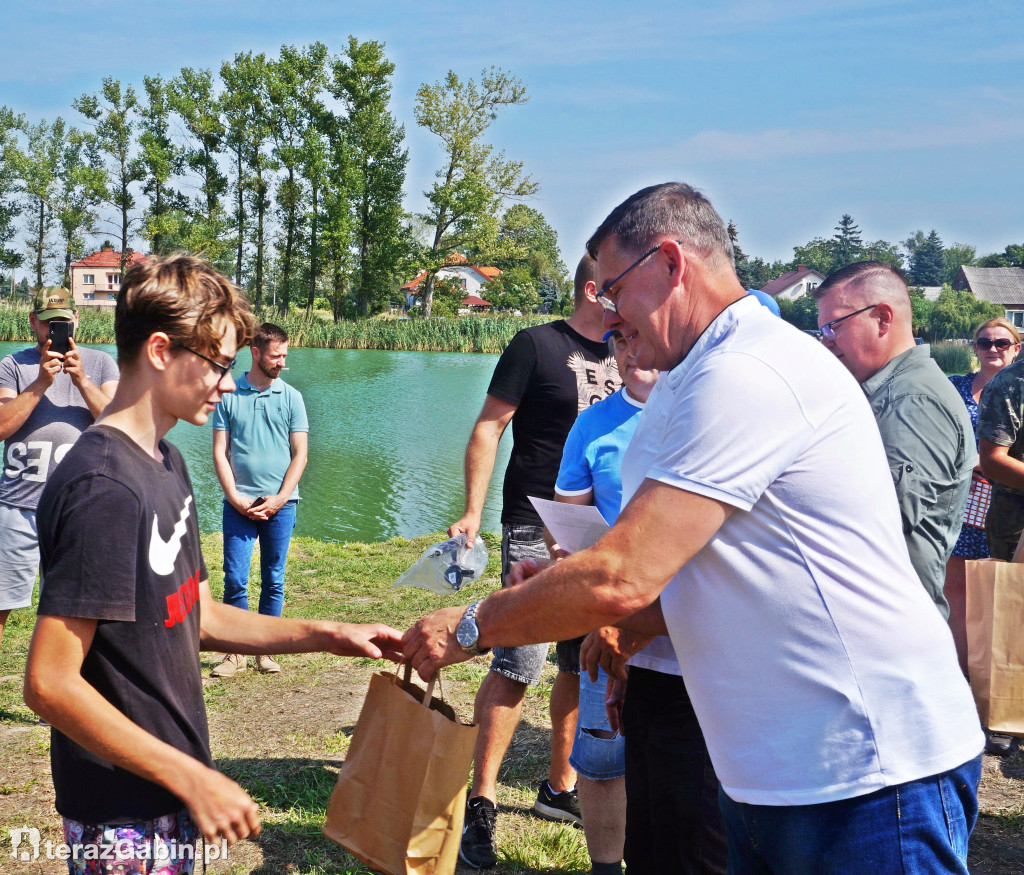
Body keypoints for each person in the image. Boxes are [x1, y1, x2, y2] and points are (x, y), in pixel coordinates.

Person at [404, 182, 984, 874]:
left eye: (615, 289)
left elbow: (623, 572)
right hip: (767, 772)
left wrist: (470, 624)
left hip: (868, 771)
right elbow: (699, 579)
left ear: (672, 264)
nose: (610, 312)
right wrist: (611, 621)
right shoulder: (685, 380)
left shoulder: (749, 370)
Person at [23, 255, 402, 873]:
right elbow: (49, 682)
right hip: (121, 809)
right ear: (159, 350)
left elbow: (194, 615)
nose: (228, 384)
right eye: (219, 365)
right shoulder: (103, 487)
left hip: (169, 788)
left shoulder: (166, 463)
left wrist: (329, 635)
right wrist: (191, 778)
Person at [449, 254, 621, 869]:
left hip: (603, 533)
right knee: (519, 661)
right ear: (595, 288)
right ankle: (482, 803)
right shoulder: (536, 345)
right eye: (620, 283)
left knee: (581, 662)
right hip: (533, 523)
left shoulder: (632, 352)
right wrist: (473, 511)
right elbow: (488, 429)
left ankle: (558, 786)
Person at [814, 262, 975, 617]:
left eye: (833, 325)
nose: (826, 339)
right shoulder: (893, 390)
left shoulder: (912, 399)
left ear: (883, 319)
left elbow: (881, 517)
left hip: (887, 621)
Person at [0, 287, 117, 653]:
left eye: (63, 323)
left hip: (77, 508)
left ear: (76, 321)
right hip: (17, 506)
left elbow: (116, 425)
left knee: (69, 610)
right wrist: (40, 384)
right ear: (34, 322)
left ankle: (58, 704)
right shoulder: (13, 365)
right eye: (49, 324)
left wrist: (81, 380)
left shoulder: (99, 364)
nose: (56, 332)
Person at [210, 322, 308, 678]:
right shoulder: (229, 393)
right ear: (255, 353)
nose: (282, 362)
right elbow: (220, 452)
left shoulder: (292, 397)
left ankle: (266, 650)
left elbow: (300, 455)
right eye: (275, 355)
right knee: (235, 577)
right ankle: (235, 652)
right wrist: (234, 497)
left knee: (274, 577)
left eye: (285, 356)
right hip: (239, 504)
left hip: (282, 504)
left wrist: (281, 498)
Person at [945, 319, 1021, 674]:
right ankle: (964, 675)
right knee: (958, 595)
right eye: (984, 342)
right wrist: (972, 463)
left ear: (1016, 348)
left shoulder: (1013, 390)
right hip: (963, 502)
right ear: (973, 348)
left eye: (1002, 343)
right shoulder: (953, 387)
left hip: (1005, 501)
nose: (992, 349)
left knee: (1003, 596)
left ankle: (995, 679)